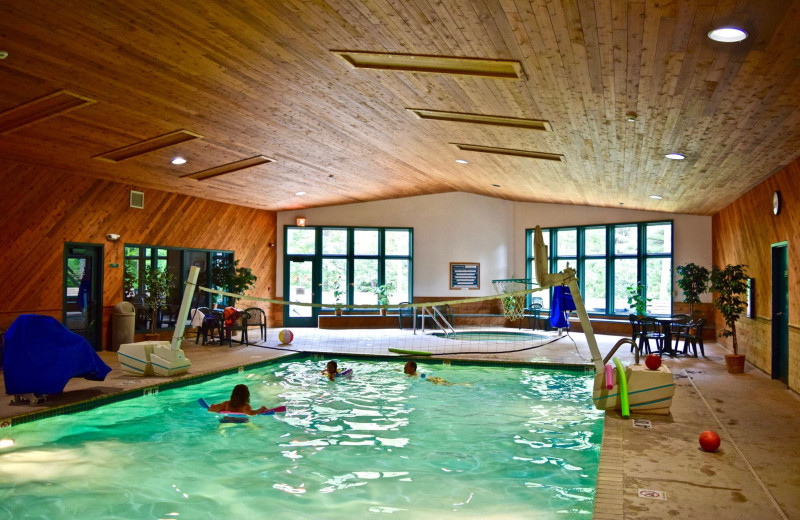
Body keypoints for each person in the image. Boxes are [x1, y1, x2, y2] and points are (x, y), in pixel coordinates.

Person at [401, 360, 470, 387]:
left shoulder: (413, 375)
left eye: (406, 366)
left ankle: (465, 384)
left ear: (412, 369)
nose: (404, 367)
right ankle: (465, 383)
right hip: (435, 379)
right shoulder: (415, 374)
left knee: (452, 385)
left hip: (435, 381)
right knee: (451, 384)